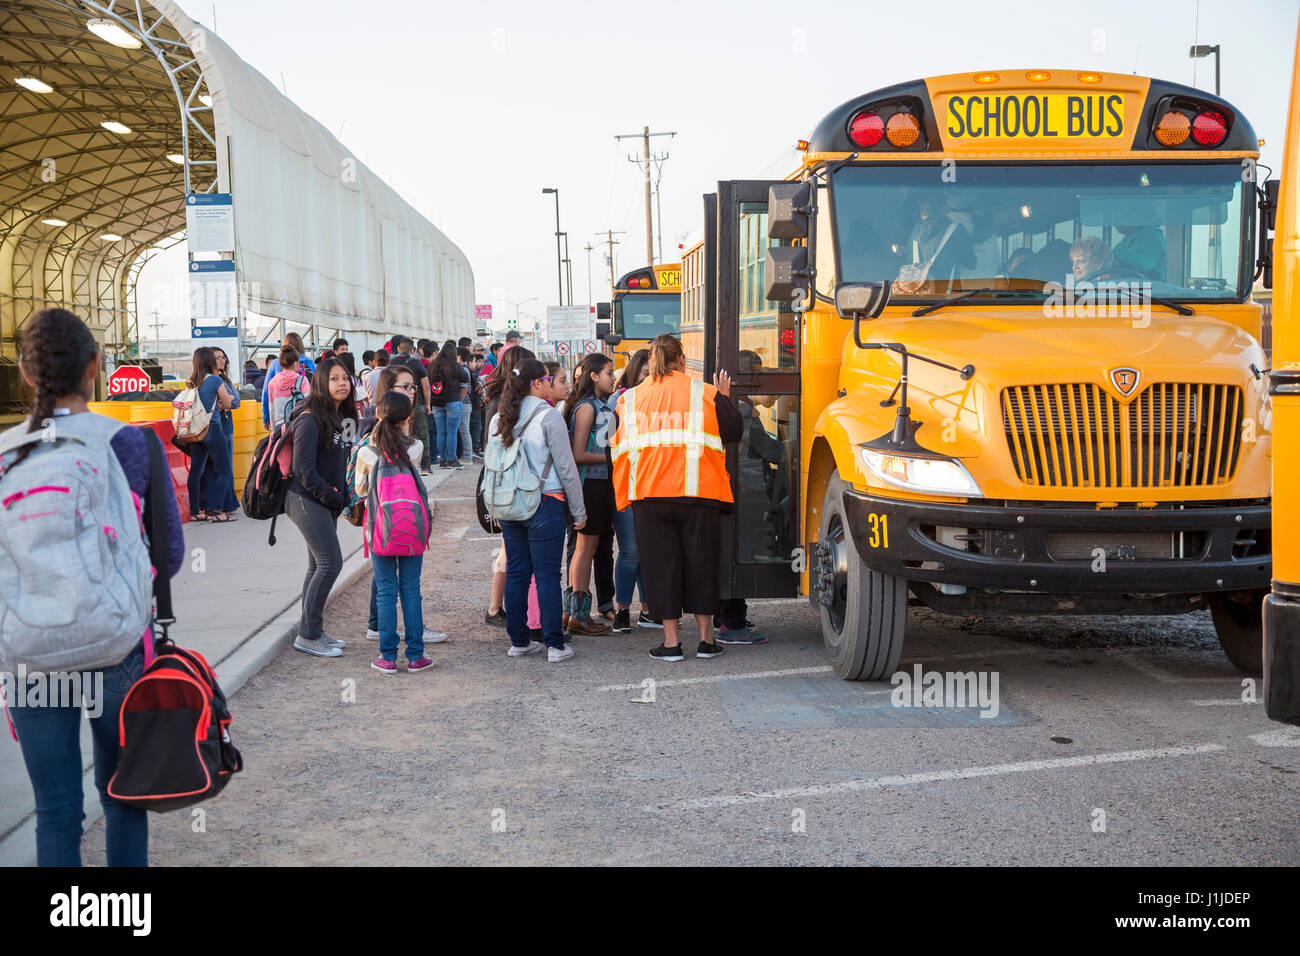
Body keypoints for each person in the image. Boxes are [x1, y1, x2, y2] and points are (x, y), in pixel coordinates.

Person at [0, 308, 184, 867]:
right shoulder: (130, 443)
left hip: (30, 657)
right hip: (116, 648)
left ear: (29, 377)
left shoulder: (6, 455)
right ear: (96, 366)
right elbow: (169, 555)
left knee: (55, 810)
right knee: (123, 795)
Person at [610, 334, 742, 661]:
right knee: (701, 563)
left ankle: (671, 644)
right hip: (698, 493)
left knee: (660, 567)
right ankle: (706, 641)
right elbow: (733, 432)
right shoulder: (704, 393)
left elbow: (620, 450)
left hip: (649, 495)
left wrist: (624, 495)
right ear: (681, 360)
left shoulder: (630, 399)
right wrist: (725, 397)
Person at [489, 358, 586, 662]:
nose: (549, 382)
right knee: (546, 575)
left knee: (518, 573)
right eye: (546, 379)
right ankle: (555, 645)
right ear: (537, 384)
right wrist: (579, 511)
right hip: (546, 502)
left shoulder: (498, 418)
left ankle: (519, 641)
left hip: (509, 504)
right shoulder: (548, 416)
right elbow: (566, 468)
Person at [353, 391, 436, 674]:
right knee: (411, 590)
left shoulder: (366, 451)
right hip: (411, 529)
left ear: (378, 415)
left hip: (379, 530)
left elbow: (360, 491)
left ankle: (387, 657)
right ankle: (416, 656)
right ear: (408, 417)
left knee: (385, 591)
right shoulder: (416, 447)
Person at [287, 358, 358, 658]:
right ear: (321, 383)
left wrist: (344, 494)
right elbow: (302, 469)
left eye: (345, 378)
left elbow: (346, 457)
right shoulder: (309, 418)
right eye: (334, 379)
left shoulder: (345, 416)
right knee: (331, 564)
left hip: (328, 501)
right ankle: (308, 635)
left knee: (317, 565)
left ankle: (312, 629)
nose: (342, 383)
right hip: (305, 499)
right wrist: (330, 496)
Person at [481, 345, 537, 626]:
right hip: (507, 486)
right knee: (510, 552)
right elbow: (492, 449)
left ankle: (498, 607)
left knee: (510, 551)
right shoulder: (501, 402)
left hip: (507, 485)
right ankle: (495, 608)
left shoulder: (498, 397)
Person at [564, 354, 618, 636]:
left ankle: (573, 612)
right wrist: (614, 458)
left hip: (599, 484)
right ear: (594, 376)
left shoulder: (601, 405)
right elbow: (578, 454)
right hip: (591, 485)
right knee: (584, 550)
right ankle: (579, 615)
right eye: (609, 373)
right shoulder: (587, 408)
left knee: (588, 549)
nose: (613, 377)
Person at [610, 348, 650, 631]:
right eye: (646, 373)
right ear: (635, 371)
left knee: (647, 551)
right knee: (631, 551)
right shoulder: (618, 400)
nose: (650, 379)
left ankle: (648, 610)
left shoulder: (656, 400)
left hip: (652, 485)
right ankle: (622, 610)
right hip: (626, 484)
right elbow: (608, 441)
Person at [185, 346, 237, 523]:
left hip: (195, 430)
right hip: (212, 429)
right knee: (225, 470)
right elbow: (230, 403)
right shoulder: (215, 380)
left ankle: (195, 510)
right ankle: (216, 510)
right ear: (210, 361)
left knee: (196, 471)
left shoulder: (192, 382)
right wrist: (224, 401)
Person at [204, 346, 241, 516]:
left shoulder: (225, 380)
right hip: (215, 423)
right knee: (218, 466)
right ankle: (217, 504)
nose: (222, 360)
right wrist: (227, 399)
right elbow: (227, 402)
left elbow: (236, 401)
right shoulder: (210, 380)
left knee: (227, 463)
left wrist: (227, 399)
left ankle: (227, 503)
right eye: (217, 357)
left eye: (223, 357)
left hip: (227, 422)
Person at [390, 336, 432, 474]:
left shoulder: (391, 364)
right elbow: (426, 386)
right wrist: (427, 404)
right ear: (412, 350)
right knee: (422, 434)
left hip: (396, 405)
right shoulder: (416, 363)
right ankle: (425, 466)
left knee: (398, 433)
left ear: (397, 349)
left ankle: (401, 464)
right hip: (416, 404)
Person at [260, 332, 316, 427]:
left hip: (280, 419)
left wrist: (266, 417)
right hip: (303, 419)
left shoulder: (275, 364)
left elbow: (266, 392)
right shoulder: (310, 363)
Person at [430, 340, 466, 469]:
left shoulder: (433, 365)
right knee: (451, 432)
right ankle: (451, 459)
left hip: (437, 401)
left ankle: (443, 460)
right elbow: (465, 378)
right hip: (453, 401)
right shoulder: (454, 365)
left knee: (441, 432)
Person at [266, 346, 312, 430]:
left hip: (279, 426)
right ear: (295, 363)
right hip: (298, 425)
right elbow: (309, 405)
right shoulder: (302, 380)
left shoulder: (272, 382)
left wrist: (273, 429)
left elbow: (271, 409)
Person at [469, 351, 487, 457]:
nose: (480, 364)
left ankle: (475, 447)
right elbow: (476, 390)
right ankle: (474, 448)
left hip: (476, 404)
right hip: (475, 405)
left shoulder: (476, 373)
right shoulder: (475, 374)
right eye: (477, 361)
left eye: (481, 361)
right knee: (477, 426)